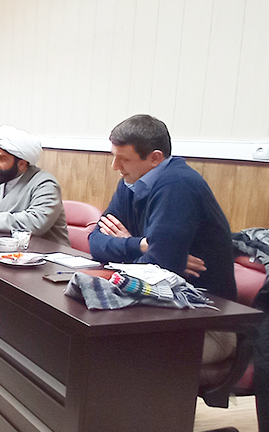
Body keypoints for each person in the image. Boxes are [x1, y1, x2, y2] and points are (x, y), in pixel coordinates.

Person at [88, 114, 237, 302]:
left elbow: (158, 267)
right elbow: (95, 243)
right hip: (162, 295)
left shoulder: (178, 185)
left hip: (203, 305)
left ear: (155, 158)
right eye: (114, 157)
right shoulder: (131, 182)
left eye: (124, 159)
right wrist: (139, 245)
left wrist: (145, 256)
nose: (115, 166)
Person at [0, 125, 69, 246]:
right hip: (3, 248)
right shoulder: (0, 177)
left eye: (2, 158)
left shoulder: (45, 184)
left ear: (22, 164)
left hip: (45, 253)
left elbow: (35, 223)